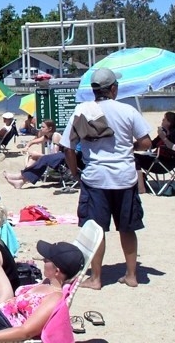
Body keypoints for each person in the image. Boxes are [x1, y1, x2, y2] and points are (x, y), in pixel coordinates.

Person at [62, 68, 151, 289]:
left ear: (94, 90)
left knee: (96, 229)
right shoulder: (127, 111)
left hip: (95, 178)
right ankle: (131, 275)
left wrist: (75, 172)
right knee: (127, 228)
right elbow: (146, 142)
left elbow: (68, 148)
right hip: (124, 178)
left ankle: (96, 278)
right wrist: (129, 147)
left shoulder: (82, 111)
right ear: (113, 89)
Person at [135, 112, 175, 194]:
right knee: (134, 156)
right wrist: (137, 144)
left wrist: (163, 138)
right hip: (159, 160)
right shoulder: (164, 132)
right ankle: (141, 178)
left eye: (164, 119)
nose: (162, 120)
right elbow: (152, 145)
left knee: (133, 158)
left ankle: (140, 183)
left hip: (166, 163)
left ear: (169, 122)